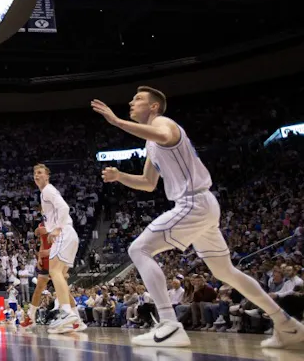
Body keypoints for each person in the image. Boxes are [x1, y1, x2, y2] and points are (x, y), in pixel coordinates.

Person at [92, 86, 304, 349]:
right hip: (202, 205)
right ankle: (286, 324)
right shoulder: (151, 143)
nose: (131, 102)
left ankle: (169, 324)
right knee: (225, 271)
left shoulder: (163, 123)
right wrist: (121, 176)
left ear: (154, 107)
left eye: (138, 99)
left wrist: (115, 121)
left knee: (139, 248)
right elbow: (148, 183)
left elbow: (162, 133)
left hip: (193, 203)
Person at [33, 163, 84, 334]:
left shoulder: (48, 190)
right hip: (69, 234)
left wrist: (56, 229)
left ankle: (67, 313)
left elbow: (64, 207)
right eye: (34, 173)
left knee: (54, 272)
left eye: (40, 173)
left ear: (47, 176)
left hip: (64, 233)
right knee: (59, 275)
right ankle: (76, 320)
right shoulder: (44, 193)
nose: (36, 175)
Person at [21, 221, 53, 329]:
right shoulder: (42, 223)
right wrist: (39, 257)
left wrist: (49, 251)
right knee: (38, 289)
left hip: (55, 258)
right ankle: (31, 317)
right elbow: (42, 241)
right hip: (45, 259)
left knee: (62, 289)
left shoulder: (57, 221)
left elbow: (61, 242)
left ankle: (74, 317)